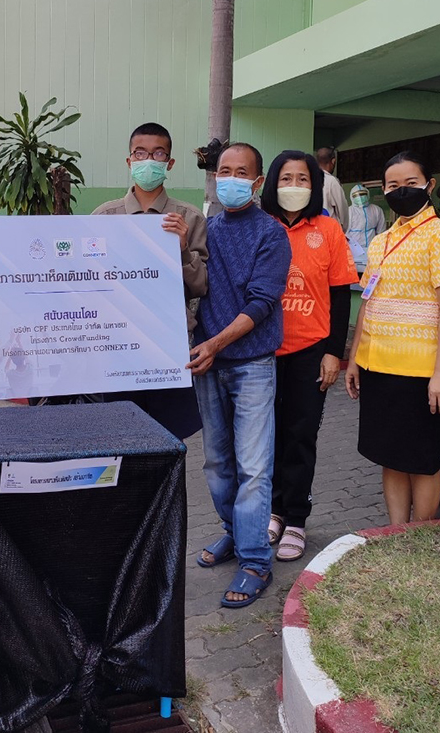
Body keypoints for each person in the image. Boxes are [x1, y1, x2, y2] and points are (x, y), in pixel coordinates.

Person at [189, 142, 291, 608]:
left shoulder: (272, 234)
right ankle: (235, 531)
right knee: (217, 464)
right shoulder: (206, 229)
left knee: (253, 467)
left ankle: (255, 561)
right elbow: (189, 284)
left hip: (250, 364)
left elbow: (262, 302)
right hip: (208, 364)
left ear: (257, 181)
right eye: (223, 171)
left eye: (240, 172)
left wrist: (214, 344)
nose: (229, 179)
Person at [344, 151, 440, 525]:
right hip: (377, 365)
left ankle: (419, 535)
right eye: (393, 185)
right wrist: (355, 358)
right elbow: (368, 302)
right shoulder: (380, 242)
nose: (401, 190)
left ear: (429, 186)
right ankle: (396, 532)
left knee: (421, 460)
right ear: (383, 191)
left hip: (420, 371)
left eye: (411, 183)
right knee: (391, 456)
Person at [261, 150, 358, 561]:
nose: (294, 186)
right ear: (272, 182)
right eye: (286, 178)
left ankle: (296, 519)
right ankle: (273, 510)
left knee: (301, 436)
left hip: (310, 350)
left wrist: (334, 353)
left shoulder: (328, 229)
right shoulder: (259, 224)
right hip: (262, 351)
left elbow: (341, 295)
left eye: (303, 179)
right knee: (266, 437)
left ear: (315, 185)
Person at [93, 122, 208, 439]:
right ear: (129, 161)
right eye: (140, 153)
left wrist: (182, 249)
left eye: (158, 154)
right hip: (117, 344)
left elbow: (200, 285)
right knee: (120, 437)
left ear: (169, 163)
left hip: (168, 346)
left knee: (168, 440)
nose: (148, 161)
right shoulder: (104, 217)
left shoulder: (188, 218)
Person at [346, 183, 386, 270]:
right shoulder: (349, 212)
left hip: (372, 249)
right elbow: (345, 233)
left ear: (368, 194)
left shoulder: (376, 210)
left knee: (371, 272)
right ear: (352, 197)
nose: (360, 197)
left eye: (363, 194)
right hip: (354, 251)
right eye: (356, 195)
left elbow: (381, 232)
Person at [315, 146, 349, 231]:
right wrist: (343, 229)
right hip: (329, 230)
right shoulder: (332, 181)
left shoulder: (308, 179)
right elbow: (342, 209)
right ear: (333, 161)